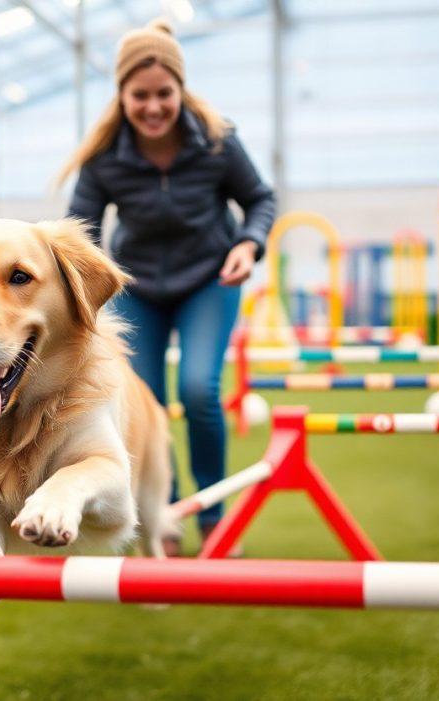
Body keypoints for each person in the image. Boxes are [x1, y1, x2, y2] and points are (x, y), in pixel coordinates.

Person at [57, 18, 276, 555]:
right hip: (139, 293)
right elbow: (75, 234)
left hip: (209, 279)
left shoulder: (218, 141)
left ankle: (214, 515)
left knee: (200, 390)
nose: (153, 106)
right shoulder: (105, 157)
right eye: (140, 96)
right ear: (122, 96)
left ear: (181, 90)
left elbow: (260, 199)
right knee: (145, 405)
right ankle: (168, 517)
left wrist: (248, 244)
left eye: (164, 94)